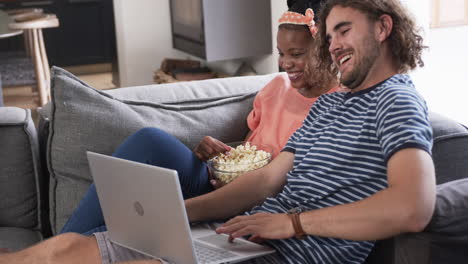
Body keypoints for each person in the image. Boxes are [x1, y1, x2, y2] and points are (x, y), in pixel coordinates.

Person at [0, 0, 436, 263]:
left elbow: (413, 207)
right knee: (67, 248)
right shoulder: (331, 105)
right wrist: (181, 213)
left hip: (288, 254)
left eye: (345, 30)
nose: (335, 43)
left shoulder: (395, 101)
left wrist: (294, 224)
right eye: (331, 34)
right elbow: (265, 179)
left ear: (383, 27)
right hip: (242, 240)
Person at [58, 0, 339, 236]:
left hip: (251, 202)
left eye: (297, 54)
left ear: (327, 50)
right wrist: (220, 152)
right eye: (281, 53)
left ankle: (74, 248)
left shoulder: (339, 106)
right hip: (216, 182)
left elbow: (290, 180)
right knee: (150, 140)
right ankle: (68, 239)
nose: (284, 63)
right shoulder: (276, 89)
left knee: (134, 226)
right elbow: (252, 146)